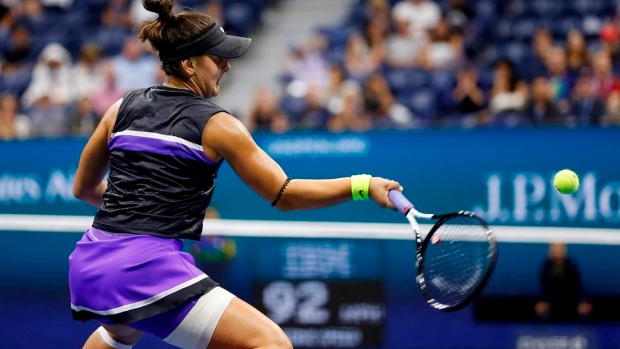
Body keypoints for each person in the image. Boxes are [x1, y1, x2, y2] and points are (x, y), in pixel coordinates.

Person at [68, 1, 402, 349]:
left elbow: (83, 188)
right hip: (144, 268)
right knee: (271, 343)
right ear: (188, 64)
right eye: (218, 57)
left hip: (89, 266)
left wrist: (132, 208)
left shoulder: (120, 108)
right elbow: (284, 194)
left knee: (120, 332)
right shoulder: (219, 125)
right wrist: (362, 185)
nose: (226, 65)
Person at [534, 243, 592, 322]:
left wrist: (582, 302)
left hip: (571, 304)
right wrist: (542, 302)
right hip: (551, 305)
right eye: (555, 249)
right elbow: (543, 288)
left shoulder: (572, 266)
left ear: (565, 251)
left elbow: (578, 287)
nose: (558, 251)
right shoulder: (546, 267)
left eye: (560, 249)